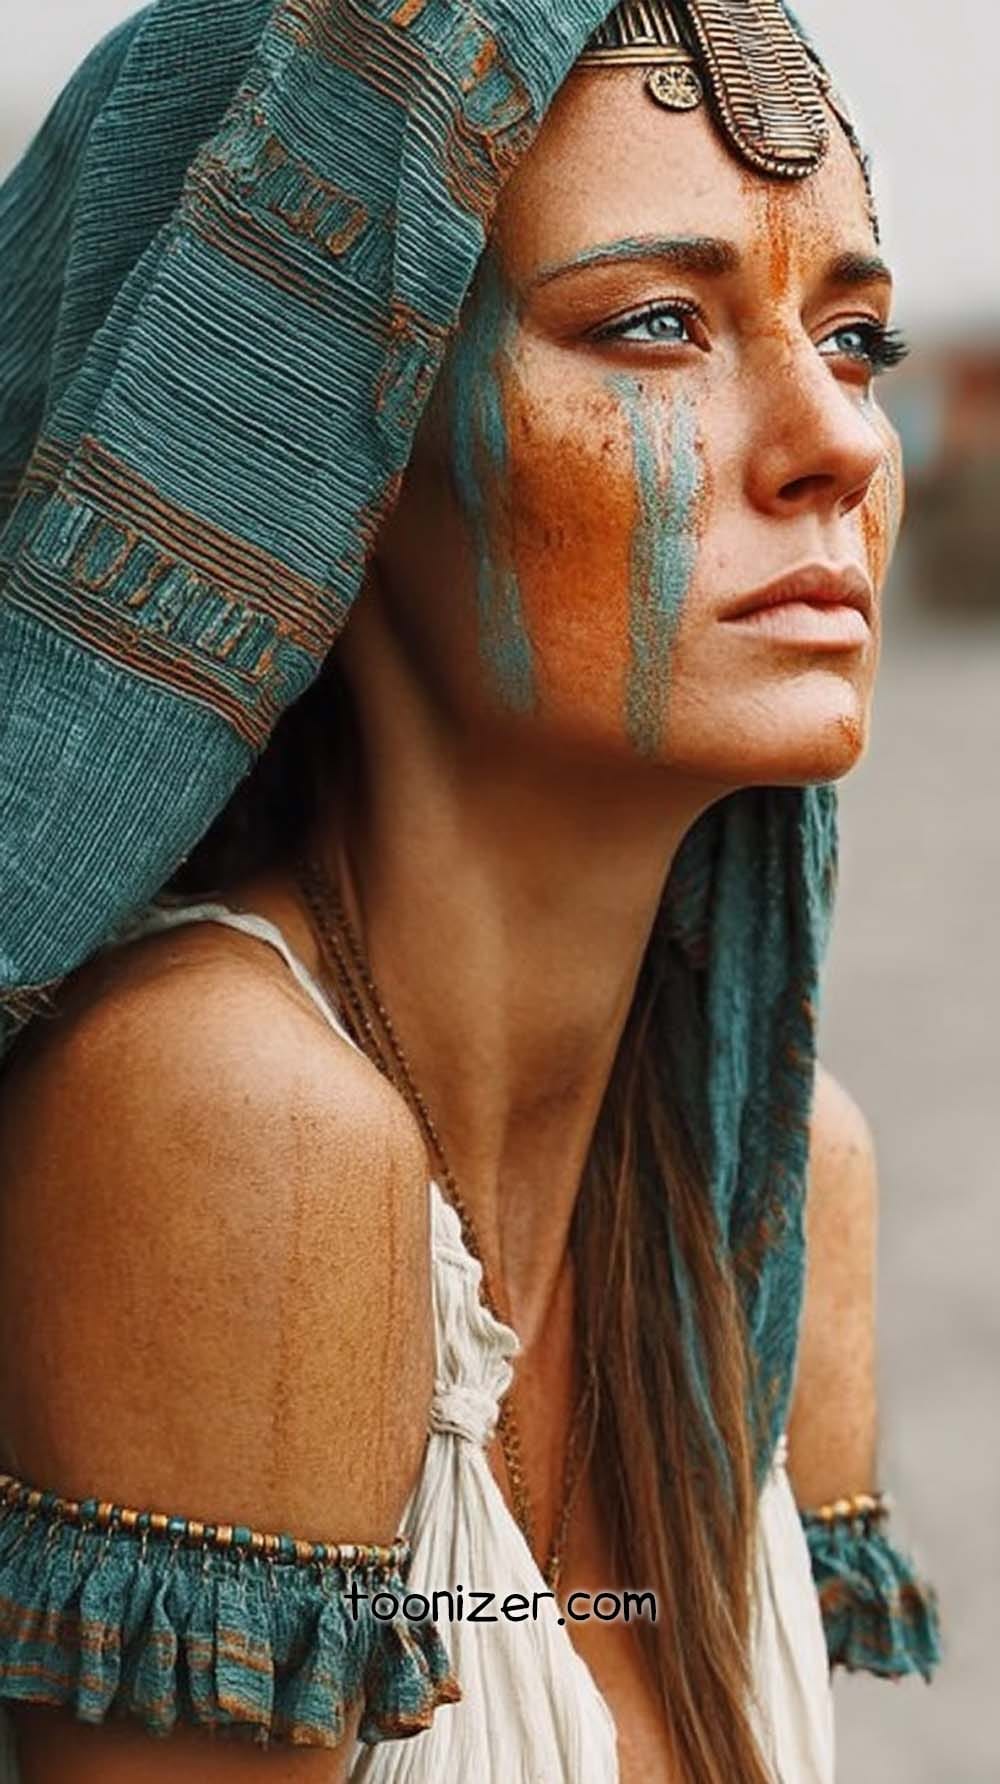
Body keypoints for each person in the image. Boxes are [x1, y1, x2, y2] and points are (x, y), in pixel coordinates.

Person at [0, 0, 940, 1779]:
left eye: (855, 338)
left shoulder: (781, 1172)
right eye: (655, 324)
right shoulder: (228, 1121)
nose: (838, 440)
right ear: (314, 450)